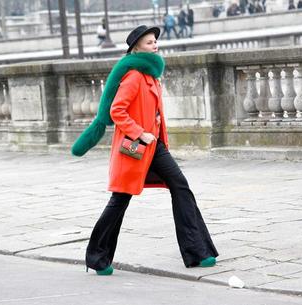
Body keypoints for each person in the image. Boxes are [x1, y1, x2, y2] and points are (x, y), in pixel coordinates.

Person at [71, 25, 219, 276]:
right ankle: (97, 258)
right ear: (136, 46)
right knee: (119, 200)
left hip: (154, 147)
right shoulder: (134, 76)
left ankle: (199, 252)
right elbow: (117, 111)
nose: (155, 45)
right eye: (149, 42)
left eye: (155, 41)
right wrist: (141, 132)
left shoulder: (148, 74)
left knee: (180, 186)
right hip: (136, 147)